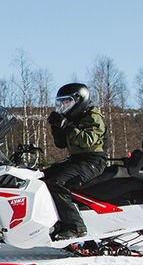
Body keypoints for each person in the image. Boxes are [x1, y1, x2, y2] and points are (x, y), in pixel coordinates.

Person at [45, 82, 107, 242]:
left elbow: (88, 140)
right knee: (41, 177)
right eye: (61, 103)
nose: (63, 106)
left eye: (67, 102)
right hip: (77, 160)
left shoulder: (93, 116)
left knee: (57, 182)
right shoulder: (73, 118)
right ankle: (52, 221)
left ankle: (75, 227)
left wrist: (66, 126)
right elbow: (61, 144)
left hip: (93, 161)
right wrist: (56, 127)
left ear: (79, 100)